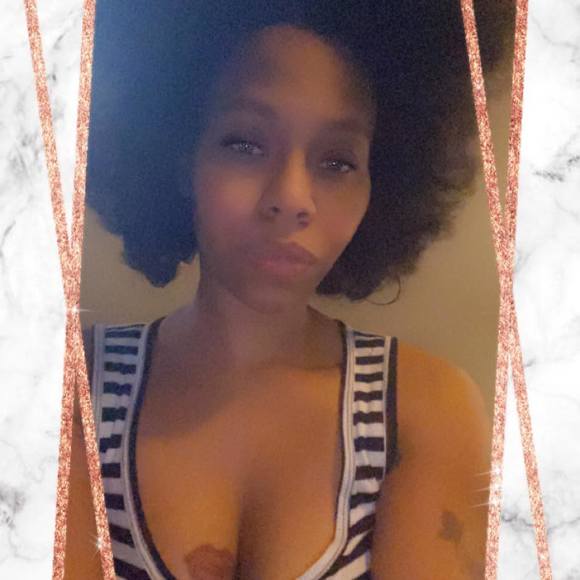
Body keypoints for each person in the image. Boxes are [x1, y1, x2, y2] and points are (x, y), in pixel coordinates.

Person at [65, 1, 513, 578]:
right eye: (245, 144)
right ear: (181, 159)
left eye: (337, 161)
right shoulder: (77, 384)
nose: (292, 198)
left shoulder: (426, 409)